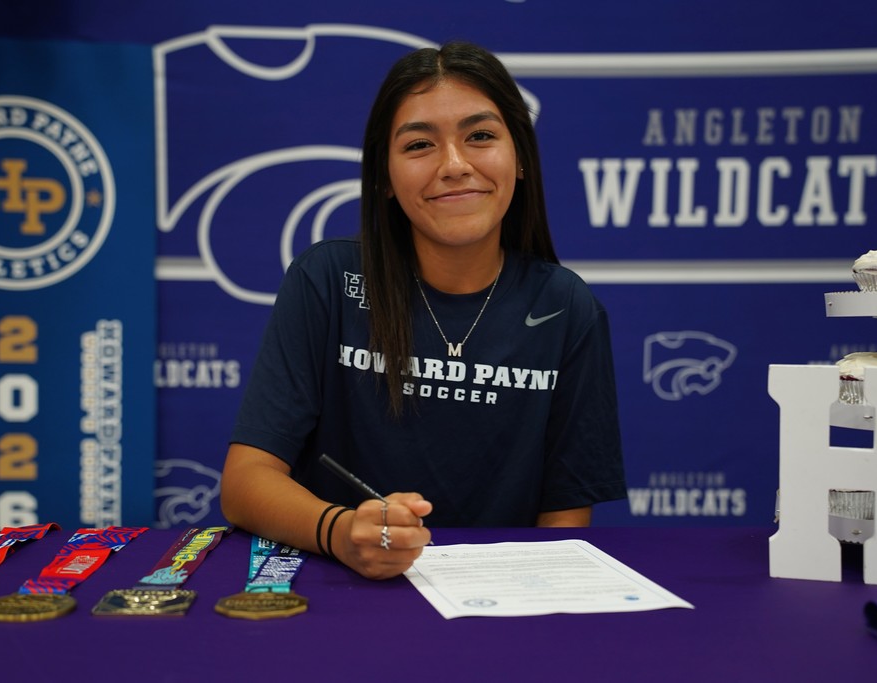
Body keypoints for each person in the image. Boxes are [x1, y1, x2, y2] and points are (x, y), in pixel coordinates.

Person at [221, 41, 625, 580]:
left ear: (521, 157)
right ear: (385, 176)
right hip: (340, 589)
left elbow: (566, 520)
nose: (455, 166)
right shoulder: (327, 280)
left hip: (495, 607)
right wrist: (341, 532)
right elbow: (245, 481)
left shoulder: (567, 307)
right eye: (419, 145)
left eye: (480, 136)